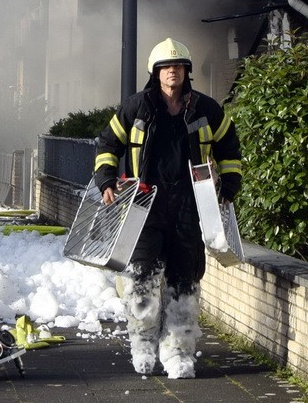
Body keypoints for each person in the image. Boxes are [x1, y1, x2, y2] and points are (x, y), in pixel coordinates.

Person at [93, 38, 241, 379]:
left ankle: (178, 353)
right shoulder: (135, 108)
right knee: (141, 281)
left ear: (187, 72)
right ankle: (142, 346)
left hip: (189, 206)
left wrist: (231, 183)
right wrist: (105, 180)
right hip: (144, 204)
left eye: (178, 66)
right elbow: (107, 143)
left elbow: (229, 145)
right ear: (155, 73)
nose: (172, 71)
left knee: (184, 282)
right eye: (165, 67)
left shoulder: (205, 109)